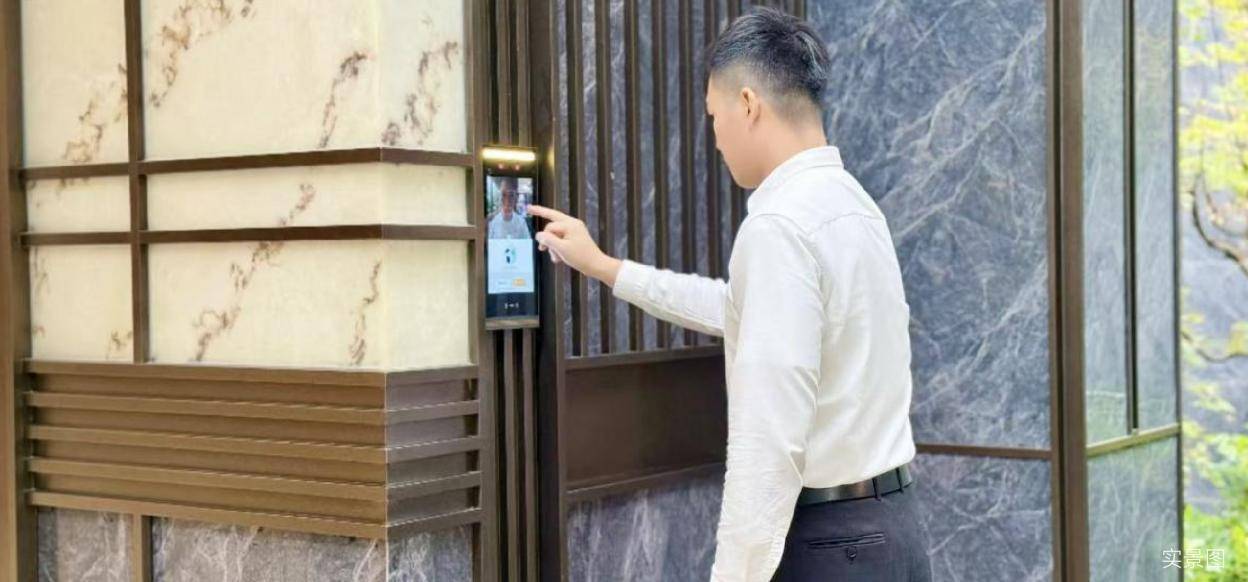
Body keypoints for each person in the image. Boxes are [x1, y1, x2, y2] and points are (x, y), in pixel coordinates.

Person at [526, 7, 933, 582]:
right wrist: (605, 267)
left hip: (829, 546)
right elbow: (739, 309)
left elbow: (768, 443)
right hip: (895, 530)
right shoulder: (855, 206)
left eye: (714, 117)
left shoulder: (778, 226)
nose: (715, 139)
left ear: (748, 105)